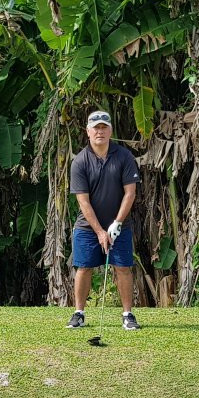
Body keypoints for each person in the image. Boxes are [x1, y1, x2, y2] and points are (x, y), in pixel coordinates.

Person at [66, 110, 142, 331]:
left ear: (110, 131)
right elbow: (83, 202)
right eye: (95, 127)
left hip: (120, 225)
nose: (100, 131)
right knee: (84, 268)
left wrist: (117, 223)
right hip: (87, 227)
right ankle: (79, 313)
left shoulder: (124, 156)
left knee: (123, 268)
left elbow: (130, 193)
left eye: (103, 127)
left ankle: (127, 315)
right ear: (88, 132)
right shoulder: (80, 161)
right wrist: (100, 231)